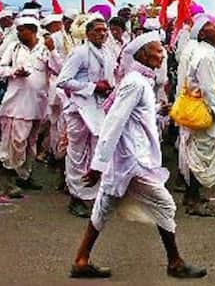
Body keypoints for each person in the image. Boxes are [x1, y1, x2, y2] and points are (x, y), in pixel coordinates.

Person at [70, 32, 207, 280]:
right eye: (157, 49)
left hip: (126, 159)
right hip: (132, 160)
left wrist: (156, 109)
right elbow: (114, 121)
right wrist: (98, 164)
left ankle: (81, 260)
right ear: (143, 54)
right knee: (165, 204)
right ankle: (175, 262)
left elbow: (134, 112)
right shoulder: (135, 81)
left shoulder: (140, 81)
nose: (163, 53)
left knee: (103, 208)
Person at [0, 17, 62, 196]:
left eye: (22, 30)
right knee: (15, 142)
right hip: (15, 104)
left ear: (32, 31)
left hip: (38, 104)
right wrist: (13, 71)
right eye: (18, 30)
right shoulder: (14, 48)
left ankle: (24, 176)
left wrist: (53, 51)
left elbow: (59, 70)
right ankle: (10, 181)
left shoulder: (45, 48)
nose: (18, 33)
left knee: (31, 144)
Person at [57, 16, 116, 217]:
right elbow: (63, 80)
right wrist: (92, 87)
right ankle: (76, 196)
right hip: (80, 109)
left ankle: (91, 195)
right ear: (88, 33)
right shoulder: (80, 52)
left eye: (104, 30)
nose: (102, 34)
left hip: (99, 109)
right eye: (98, 30)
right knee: (77, 153)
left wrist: (109, 89)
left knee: (96, 152)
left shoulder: (107, 52)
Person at [177, 16, 215, 216]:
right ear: (202, 33)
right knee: (201, 155)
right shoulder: (205, 56)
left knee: (199, 152)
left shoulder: (211, 54)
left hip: (208, 109)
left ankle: (190, 194)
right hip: (206, 113)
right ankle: (193, 200)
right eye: (212, 27)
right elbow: (208, 90)